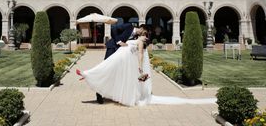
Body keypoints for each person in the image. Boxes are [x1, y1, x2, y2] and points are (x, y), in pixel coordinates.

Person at [77, 33, 216, 106]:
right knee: (106, 68)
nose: (143, 35)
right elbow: (127, 46)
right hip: (120, 56)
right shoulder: (135, 40)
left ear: (145, 40)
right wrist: (122, 43)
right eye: (143, 35)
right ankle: (88, 74)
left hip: (122, 59)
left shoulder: (141, 43)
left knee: (107, 69)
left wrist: (139, 66)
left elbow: (140, 55)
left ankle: (88, 74)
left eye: (144, 36)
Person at [95, 23, 148, 104]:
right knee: (106, 70)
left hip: (120, 55)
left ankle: (110, 93)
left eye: (145, 33)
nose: (143, 34)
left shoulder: (135, 37)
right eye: (144, 32)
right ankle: (99, 92)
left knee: (115, 74)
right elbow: (113, 28)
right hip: (112, 48)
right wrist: (119, 42)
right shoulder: (129, 26)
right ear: (141, 28)